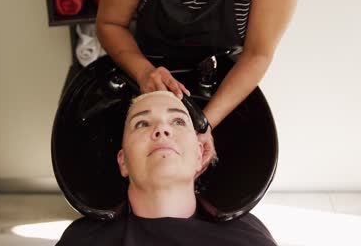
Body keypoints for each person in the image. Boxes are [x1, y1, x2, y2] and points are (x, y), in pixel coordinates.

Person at [96, 0, 300, 175]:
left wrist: (203, 124)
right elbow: (111, 24)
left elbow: (257, 54)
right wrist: (143, 72)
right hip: (147, 64)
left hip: (224, 78)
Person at [56, 91, 277, 245]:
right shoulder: (81, 240)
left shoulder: (248, 239)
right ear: (123, 161)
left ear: (200, 154)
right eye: (142, 123)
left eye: (178, 121)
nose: (162, 129)